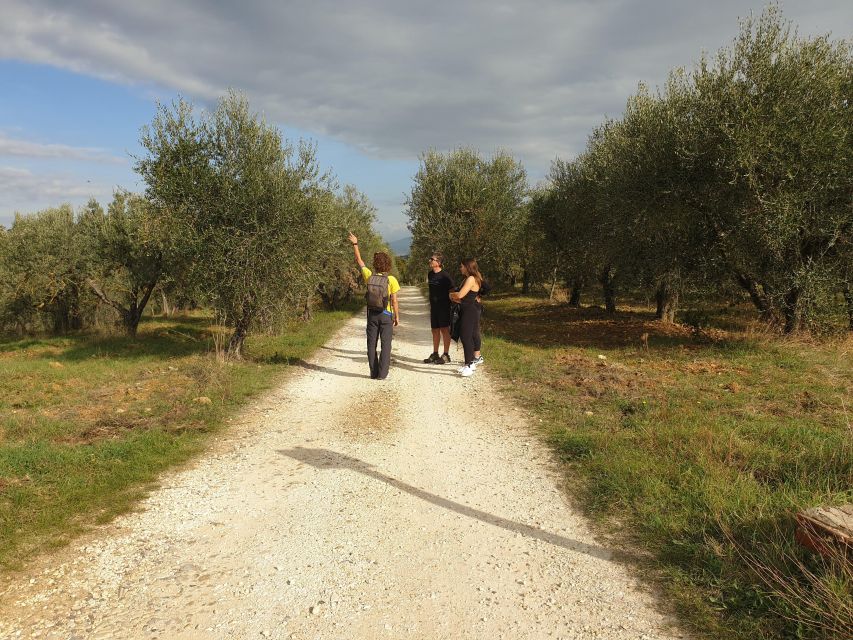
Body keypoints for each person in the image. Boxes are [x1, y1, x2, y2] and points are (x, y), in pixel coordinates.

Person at [349, 232, 400, 380]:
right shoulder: (391, 280)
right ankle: (382, 374)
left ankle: (373, 373)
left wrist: (355, 244)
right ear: (388, 264)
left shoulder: (369, 275)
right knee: (386, 345)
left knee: (371, 344)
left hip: (372, 314)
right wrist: (397, 316)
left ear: (375, 264)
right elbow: (394, 301)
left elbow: (359, 260)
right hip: (386, 315)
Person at [449, 258, 484, 377]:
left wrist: (451, 295)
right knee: (468, 336)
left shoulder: (470, 279)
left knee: (466, 337)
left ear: (467, 267)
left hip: (469, 311)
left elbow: (460, 295)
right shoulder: (473, 277)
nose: (460, 268)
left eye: (462, 266)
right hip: (469, 310)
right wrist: (456, 297)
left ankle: (468, 365)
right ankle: (469, 364)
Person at [423, 252, 455, 364]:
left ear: (439, 262)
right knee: (434, 330)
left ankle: (446, 355)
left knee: (444, 330)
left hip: (444, 307)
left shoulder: (445, 276)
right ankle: (435, 353)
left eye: (432, 259)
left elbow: (452, 290)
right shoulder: (430, 274)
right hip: (434, 308)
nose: (430, 261)